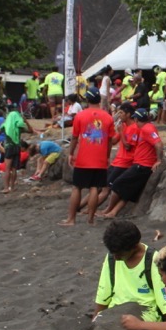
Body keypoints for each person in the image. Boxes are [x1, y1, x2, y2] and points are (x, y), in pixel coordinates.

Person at [90, 220, 166, 323]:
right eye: (113, 253)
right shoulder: (111, 258)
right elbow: (103, 295)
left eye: (120, 254)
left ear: (135, 247)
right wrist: (95, 320)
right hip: (115, 310)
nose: (116, 257)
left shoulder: (154, 261)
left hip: (145, 313)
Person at [60, 87, 114, 226]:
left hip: (84, 158)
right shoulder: (108, 117)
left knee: (77, 187)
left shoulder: (80, 115)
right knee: (95, 188)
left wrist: (71, 153)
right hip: (100, 158)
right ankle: (90, 219)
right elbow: (109, 140)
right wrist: (107, 157)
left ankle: (71, 219)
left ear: (88, 99)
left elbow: (74, 137)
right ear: (99, 99)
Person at [105, 108, 163, 218]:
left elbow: (159, 144)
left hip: (142, 165)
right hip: (140, 164)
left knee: (117, 184)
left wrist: (158, 160)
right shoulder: (146, 128)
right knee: (129, 191)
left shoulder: (147, 129)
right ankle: (113, 212)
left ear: (136, 119)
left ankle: (109, 209)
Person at [1, 105, 34, 194]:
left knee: (7, 168)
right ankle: (12, 187)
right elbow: (31, 131)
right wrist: (25, 121)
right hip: (17, 147)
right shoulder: (19, 127)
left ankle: (6, 188)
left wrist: (6, 124)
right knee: (14, 168)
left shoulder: (7, 126)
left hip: (9, 146)